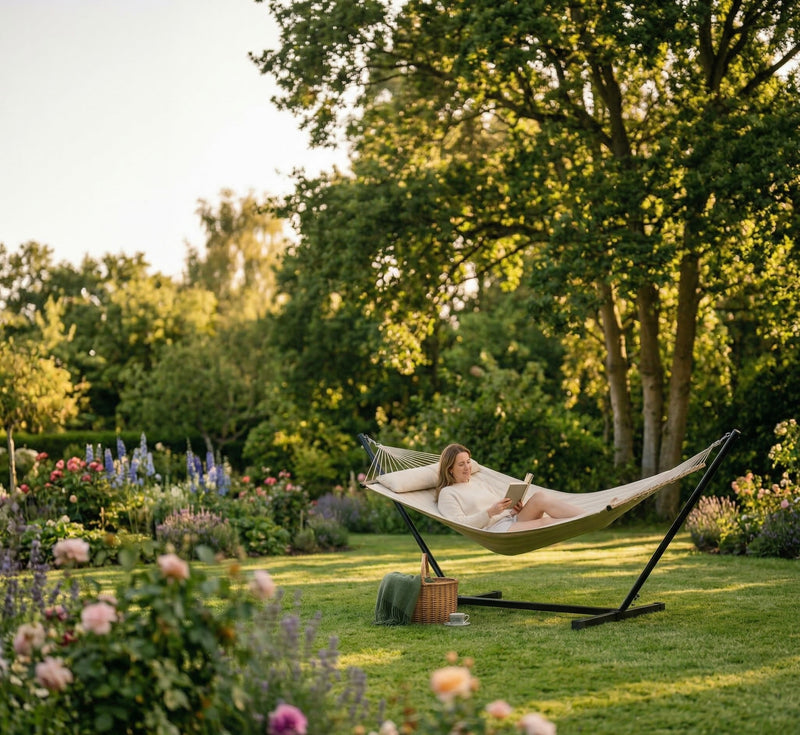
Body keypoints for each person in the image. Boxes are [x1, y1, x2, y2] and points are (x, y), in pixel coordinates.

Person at [434, 443, 582, 532]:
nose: (467, 467)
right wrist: (489, 512)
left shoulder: (477, 482)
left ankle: (588, 516)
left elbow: (500, 510)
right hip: (494, 530)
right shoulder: (448, 494)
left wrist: (512, 510)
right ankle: (584, 523)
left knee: (540, 497)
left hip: (510, 519)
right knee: (546, 523)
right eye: (461, 464)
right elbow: (460, 524)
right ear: (450, 469)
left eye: (468, 462)